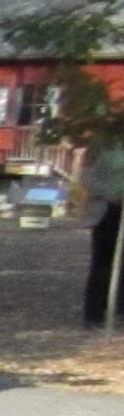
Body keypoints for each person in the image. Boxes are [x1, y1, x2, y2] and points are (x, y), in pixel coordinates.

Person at [85, 139, 122, 328]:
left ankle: (120, 310)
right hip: (106, 210)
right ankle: (94, 313)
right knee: (102, 263)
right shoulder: (102, 144)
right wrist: (109, 194)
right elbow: (88, 176)